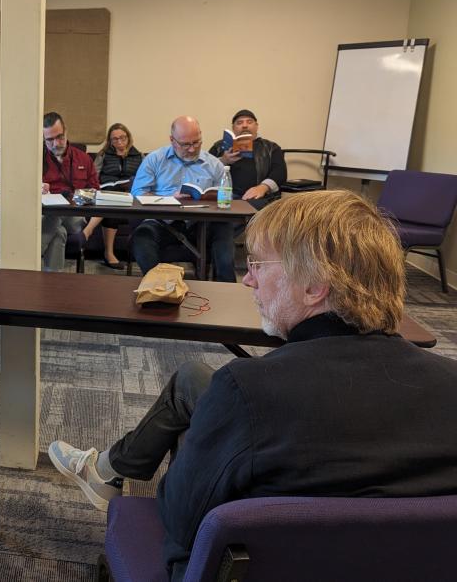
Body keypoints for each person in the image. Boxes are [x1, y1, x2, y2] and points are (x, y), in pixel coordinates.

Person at [49, 189, 457, 580]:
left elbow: (178, 519)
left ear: (315, 287)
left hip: (234, 570)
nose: (247, 280)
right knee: (194, 377)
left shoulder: (248, 393)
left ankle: (109, 471)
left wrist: (196, 444)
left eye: (258, 266)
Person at [128, 116, 236, 283]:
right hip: (163, 222)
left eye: (197, 142)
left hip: (202, 223)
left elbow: (225, 196)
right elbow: (137, 194)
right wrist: (169, 198)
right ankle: (158, 287)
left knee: (224, 230)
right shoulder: (155, 159)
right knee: (142, 236)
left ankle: (227, 289)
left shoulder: (214, 165)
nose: (192, 149)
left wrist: (213, 198)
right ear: (172, 140)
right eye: (186, 144)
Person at [41, 112, 99, 272]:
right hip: (46, 215)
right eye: (49, 140)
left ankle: (29, 256)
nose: (55, 144)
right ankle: (53, 284)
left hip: (75, 216)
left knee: (57, 212)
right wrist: (37, 190)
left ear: (66, 132)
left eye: (59, 137)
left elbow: (96, 195)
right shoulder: (37, 160)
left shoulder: (83, 158)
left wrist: (87, 232)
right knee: (59, 232)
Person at [82, 123, 143, 269]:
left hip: (129, 196)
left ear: (128, 137)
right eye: (115, 139)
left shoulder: (139, 156)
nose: (119, 142)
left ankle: (87, 231)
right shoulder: (103, 155)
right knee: (111, 203)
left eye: (122, 138)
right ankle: (108, 253)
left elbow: (144, 179)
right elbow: (93, 176)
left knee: (114, 201)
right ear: (110, 141)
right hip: (106, 193)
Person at [207, 109, 286, 210]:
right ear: (233, 128)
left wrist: (263, 187)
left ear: (256, 126)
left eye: (249, 122)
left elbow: (280, 172)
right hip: (224, 196)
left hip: (259, 197)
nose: (244, 125)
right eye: (239, 123)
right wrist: (223, 160)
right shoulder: (219, 146)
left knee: (246, 211)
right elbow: (205, 169)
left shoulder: (271, 148)